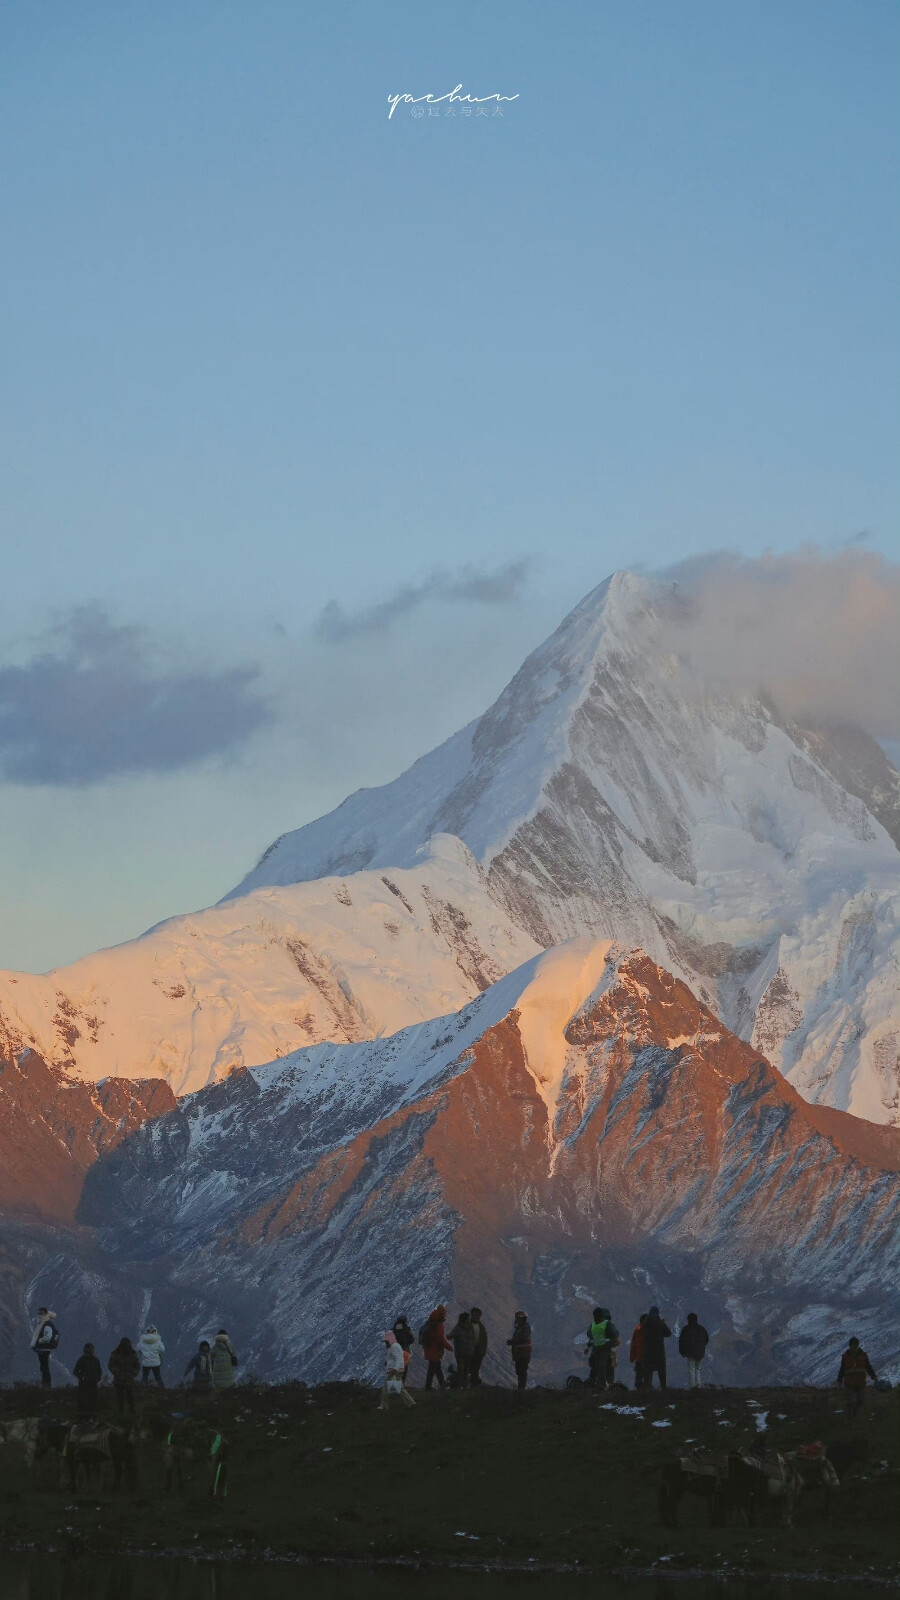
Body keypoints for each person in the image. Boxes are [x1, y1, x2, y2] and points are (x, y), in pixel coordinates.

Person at [837, 1336, 877, 1418]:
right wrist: (840, 1380)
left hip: (860, 1382)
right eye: (852, 1344)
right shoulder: (845, 1357)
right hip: (849, 1383)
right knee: (850, 1401)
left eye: (855, 1344)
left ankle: (855, 1411)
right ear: (849, 1345)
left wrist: (873, 1376)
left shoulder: (864, 1355)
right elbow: (842, 1369)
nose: (853, 1346)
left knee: (861, 1400)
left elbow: (868, 1367)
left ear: (858, 1345)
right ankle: (851, 1417)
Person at [379, 1331, 415, 1411]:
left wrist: (394, 1369)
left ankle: (384, 1406)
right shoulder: (396, 1346)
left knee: (385, 1388)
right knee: (400, 1389)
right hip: (398, 1370)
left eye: (386, 1341)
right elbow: (397, 1358)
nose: (385, 1344)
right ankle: (411, 1403)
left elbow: (398, 1359)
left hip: (395, 1371)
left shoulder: (393, 1347)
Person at [420, 1306, 453, 1391]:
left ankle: (442, 1384)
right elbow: (440, 1339)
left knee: (437, 1367)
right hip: (435, 1350)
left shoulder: (430, 1323)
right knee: (432, 1368)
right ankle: (428, 1387)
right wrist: (449, 1347)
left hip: (428, 1348)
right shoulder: (439, 1325)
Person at [585, 1307, 618, 1389]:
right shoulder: (609, 1325)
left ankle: (595, 1385)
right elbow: (615, 1335)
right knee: (607, 1370)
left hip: (596, 1352)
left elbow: (590, 1336)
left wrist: (588, 1347)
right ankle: (606, 1387)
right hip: (606, 1352)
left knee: (596, 1369)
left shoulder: (593, 1325)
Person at [108, 1336, 141, 1415]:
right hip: (119, 1380)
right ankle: (121, 1413)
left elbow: (137, 1365)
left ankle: (131, 1412)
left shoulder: (133, 1354)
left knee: (130, 1398)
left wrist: (134, 1373)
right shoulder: (115, 1353)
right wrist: (117, 1372)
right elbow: (111, 1365)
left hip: (128, 1380)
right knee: (120, 1399)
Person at [642, 1306, 672, 1391]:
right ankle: (663, 1389)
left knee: (648, 1374)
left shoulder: (645, 1323)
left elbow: (642, 1332)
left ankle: (647, 1391)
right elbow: (668, 1333)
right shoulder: (660, 1323)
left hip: (648, 1353)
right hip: (659, 1353)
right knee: (662, 1374)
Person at [678, 1312, 710, 1389]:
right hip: (700, 1353)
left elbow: (681, 1341)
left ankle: (692, 1387)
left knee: (691, 1369)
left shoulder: (686, 1329)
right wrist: (701, 1348)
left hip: (690, 1352)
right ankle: (698, 1386)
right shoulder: (702, 1329)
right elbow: (706, 1340)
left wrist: (682, 1352)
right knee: (697, 1369)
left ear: (688, 1320)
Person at [30, 1308, 59, 1388]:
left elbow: (48, 1337)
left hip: (43, 1349)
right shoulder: (43, 1324)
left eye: (41, 1313)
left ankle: (46, 1385)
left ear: (45, 1314)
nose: (39, 1315)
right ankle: (46, 1384)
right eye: (39, 1313)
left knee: (44, 1367)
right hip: (42, 1349)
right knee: (43, 1367)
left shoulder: (46, 1325)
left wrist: (39, 1341)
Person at [73, 1343, 103, 1417]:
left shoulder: (96, 1360)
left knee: (93, 1399)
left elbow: (99, 1370)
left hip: (93, 1383)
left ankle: (93, 1415)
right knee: (83, 1400)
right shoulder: (82, 1360)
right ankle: (82, 1416)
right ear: (85, 1349)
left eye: (91, 1348)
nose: (91, 1350)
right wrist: (82, 1377)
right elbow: (75, 1371)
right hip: (84, 1384)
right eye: (89, 1348)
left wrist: (98, 1378)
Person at [448, 1311, 476, 1389]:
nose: (469, 1320)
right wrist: (449, 1336)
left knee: (466, 1370)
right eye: (468, 1318)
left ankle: (465, 1386)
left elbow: (473, 1338)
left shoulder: (471, 1328)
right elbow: (451, 1335)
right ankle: (460, 1386)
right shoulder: (458, 1328)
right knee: (461, 1369)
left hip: (469, 1352)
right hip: (460, 1352)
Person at [507, 1311, 532, 1390]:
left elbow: (522, 1339)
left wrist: (513, 1342)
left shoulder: (524, 1328)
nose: (516, 1320)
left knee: (522, 1371)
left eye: (517, 1318)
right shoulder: (520, 1328)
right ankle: (520, 1387)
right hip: (520, 1353)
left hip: (523, 1354)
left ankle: (521, 1388)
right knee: (520, 1371)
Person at [392, 1316, 414, 1383]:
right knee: (404, 1367)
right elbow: (411, 1339)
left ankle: (395, 1385)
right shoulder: (406, 1328)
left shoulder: (395, 1329)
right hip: (405, 1350)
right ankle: (401, 1384)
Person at [470, 1307, 488, 1386]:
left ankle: (473, 1385)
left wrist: (482, 1352)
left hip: (478, 1352)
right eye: (475, 1315)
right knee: (468, 1369)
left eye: (478, 1315)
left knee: (475, 1369)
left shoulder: (481, 1327)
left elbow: (484, 1340)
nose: (476, 1317)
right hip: (469, 1351)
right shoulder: (466, 1325)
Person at [629, 1313, 647, 1390]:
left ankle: (640, 1392)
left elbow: (633, 1344)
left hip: (639, 1358)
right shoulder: (648, 1330)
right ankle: (645, 1393)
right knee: (646, 1376)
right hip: (646, 1358)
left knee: (639, 1376)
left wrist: (632, 1357)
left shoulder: (637, 1330)